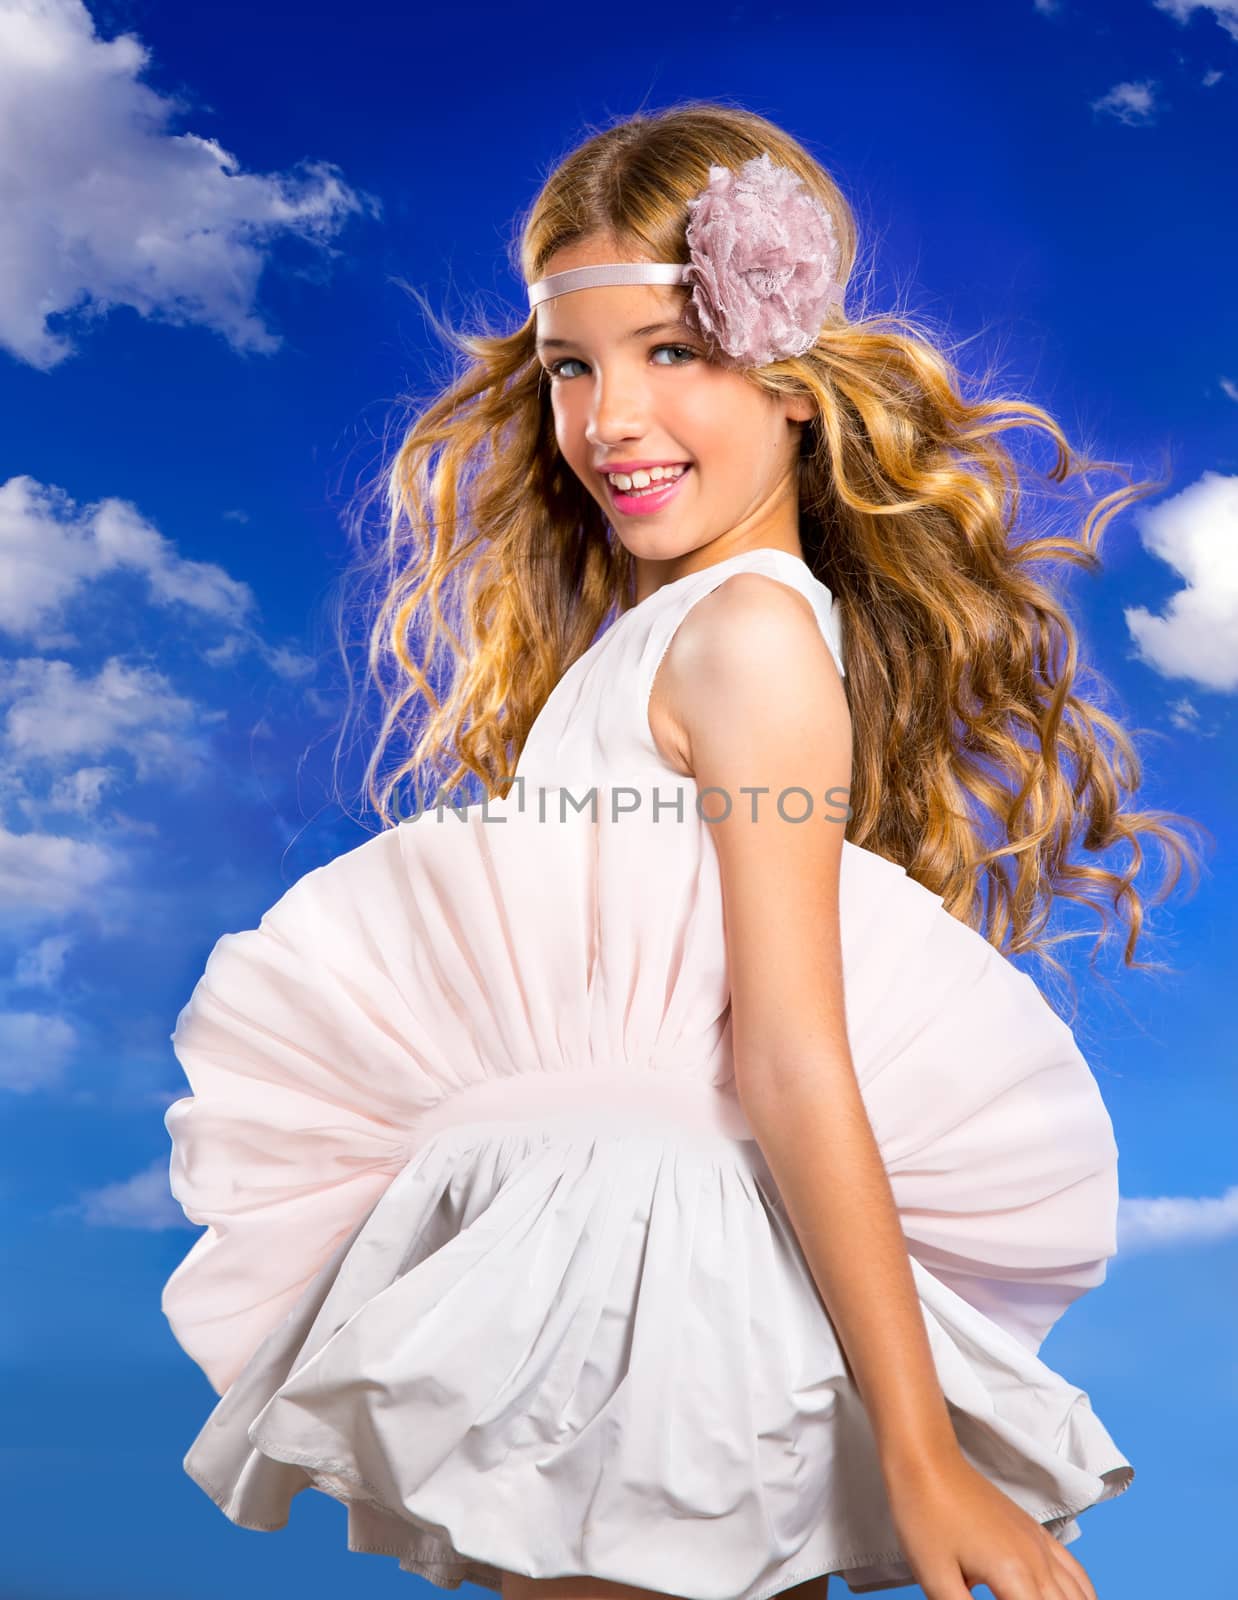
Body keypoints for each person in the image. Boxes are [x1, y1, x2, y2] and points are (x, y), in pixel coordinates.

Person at [160, 102, 1203, 1600]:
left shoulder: (752, 637)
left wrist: (920, 1456)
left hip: (657, 1271)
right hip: (609, 1242)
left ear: (792, 375)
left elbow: (787, 1051)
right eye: (572, 368)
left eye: (671, 353)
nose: (609, 422)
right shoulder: (682, 637)